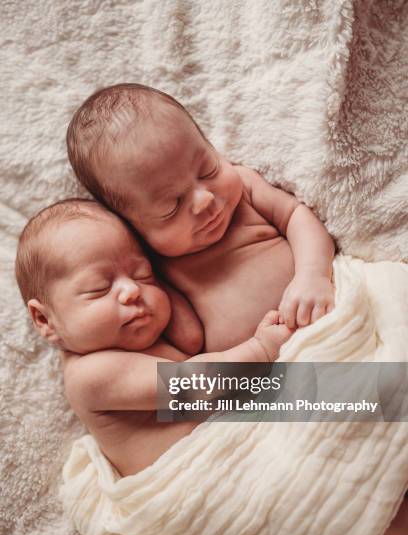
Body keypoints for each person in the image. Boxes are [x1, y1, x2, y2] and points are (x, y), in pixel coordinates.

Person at [15, 198, 294, 477]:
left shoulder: (147, 337)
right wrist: (261, 350)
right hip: (188, 477)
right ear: (44, 320)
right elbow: (192, 386)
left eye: (143, 275)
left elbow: (191, 336)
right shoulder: (89, 375)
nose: (131, 291)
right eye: (99, 288)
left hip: (228, 449)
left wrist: (161, 282)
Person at [66, 83, 336, 353]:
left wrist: (313, 274)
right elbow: (189, 339)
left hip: (330, 313)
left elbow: (297, 216)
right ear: (134, 226)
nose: (204, 199)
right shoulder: (152, 265)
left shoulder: (244, 189)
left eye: (208, 170)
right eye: (171, 206)